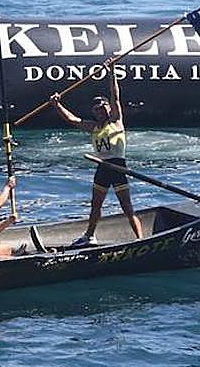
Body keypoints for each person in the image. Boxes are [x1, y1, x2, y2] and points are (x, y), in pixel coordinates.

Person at [51, 57, 144, 246]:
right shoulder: (93, 127)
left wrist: (111, 70)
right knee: (95, 206)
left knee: (127, 207)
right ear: (95, 112)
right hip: (102, 167)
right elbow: (73, 120)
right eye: (98, 109)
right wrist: (57, 104)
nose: (102, 111)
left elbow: (115, 95)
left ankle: (141, 239)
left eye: (104, 108)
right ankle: (90, 236)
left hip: (118, 167)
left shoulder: (116, 121)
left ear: (109, 109)